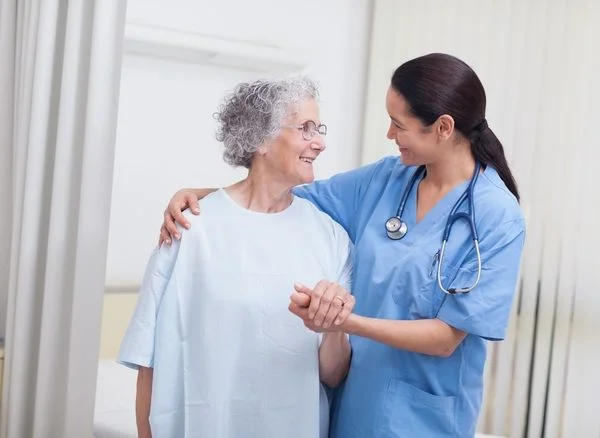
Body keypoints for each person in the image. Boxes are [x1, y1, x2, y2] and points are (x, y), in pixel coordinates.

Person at [159, 53, 526, 437]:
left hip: (425, 418)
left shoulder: (497, 216)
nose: (389, 135)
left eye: (398, 124)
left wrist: (343, 323)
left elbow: (447, 338)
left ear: (443, 127)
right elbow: (289, 193)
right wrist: (204, 195)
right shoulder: (389, 179)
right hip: (351, 407)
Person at [117, 77, 355, 438]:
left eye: (319, 129)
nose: (320, 142)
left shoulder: (331, 238)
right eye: (306, 128)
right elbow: (147, 362)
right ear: (259, 137)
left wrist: (335, 325)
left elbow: (333, 374)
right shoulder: (189, 228)